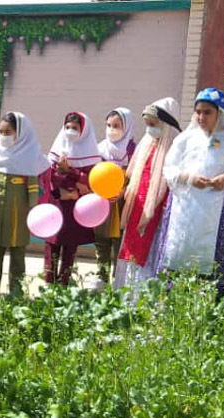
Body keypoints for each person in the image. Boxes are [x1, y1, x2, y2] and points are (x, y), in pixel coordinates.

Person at [161, 88, 224, 297]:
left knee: (216, 257)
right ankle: (176, 301)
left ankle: (214, 305)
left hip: (218, 209)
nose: (201, 117)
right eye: (198, 112)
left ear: (220, 113)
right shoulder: (185, 139)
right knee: (182, 253)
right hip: (186, 208)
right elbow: (169, 169)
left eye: (207, 112)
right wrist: (189, 178)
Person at [0, 111, 48, 298]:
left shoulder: (29, 155)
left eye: (8, 132)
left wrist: (33, 209)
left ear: (20, 132)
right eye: (1, 132)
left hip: (19, 211)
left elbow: (33, 185)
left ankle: (16, 291)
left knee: (17, 252)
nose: (4, 136)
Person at [114, 97, 181, 290]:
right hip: (137, 208)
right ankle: (128, 294)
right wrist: (123, 191)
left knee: (152, 252)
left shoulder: (177, 148)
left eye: (153, 124)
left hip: (159, 213)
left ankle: (147, 295)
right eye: (147, 124)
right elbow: (134, 176)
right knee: (132, 250)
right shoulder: (146, 144)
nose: (150, 129)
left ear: (166, 125)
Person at [42, 112, 102, 285]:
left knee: (70, 246)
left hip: (76, 207)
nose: (70, 131)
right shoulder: (58, 149)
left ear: (83, 131)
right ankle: (49, 283)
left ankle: (64, 284)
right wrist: (70, 186)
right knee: (52, 245)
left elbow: (90, 181)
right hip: (57, 204)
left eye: (75, 128)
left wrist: (69, 172)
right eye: (67, 127)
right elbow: (51, 177)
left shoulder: (91, 154)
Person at [91, 107, 136, 290]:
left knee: (120, 240)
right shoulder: (100, 148)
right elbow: (94, 174)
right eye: (109, 125)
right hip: (103, 201)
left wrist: (123, 190)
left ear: (127, 126)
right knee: (101, 239)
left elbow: (137, 176)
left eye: (116, 126)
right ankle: (101, 276)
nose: (111, 130)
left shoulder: (133, 151)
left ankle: (119, 278)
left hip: (123, 201)